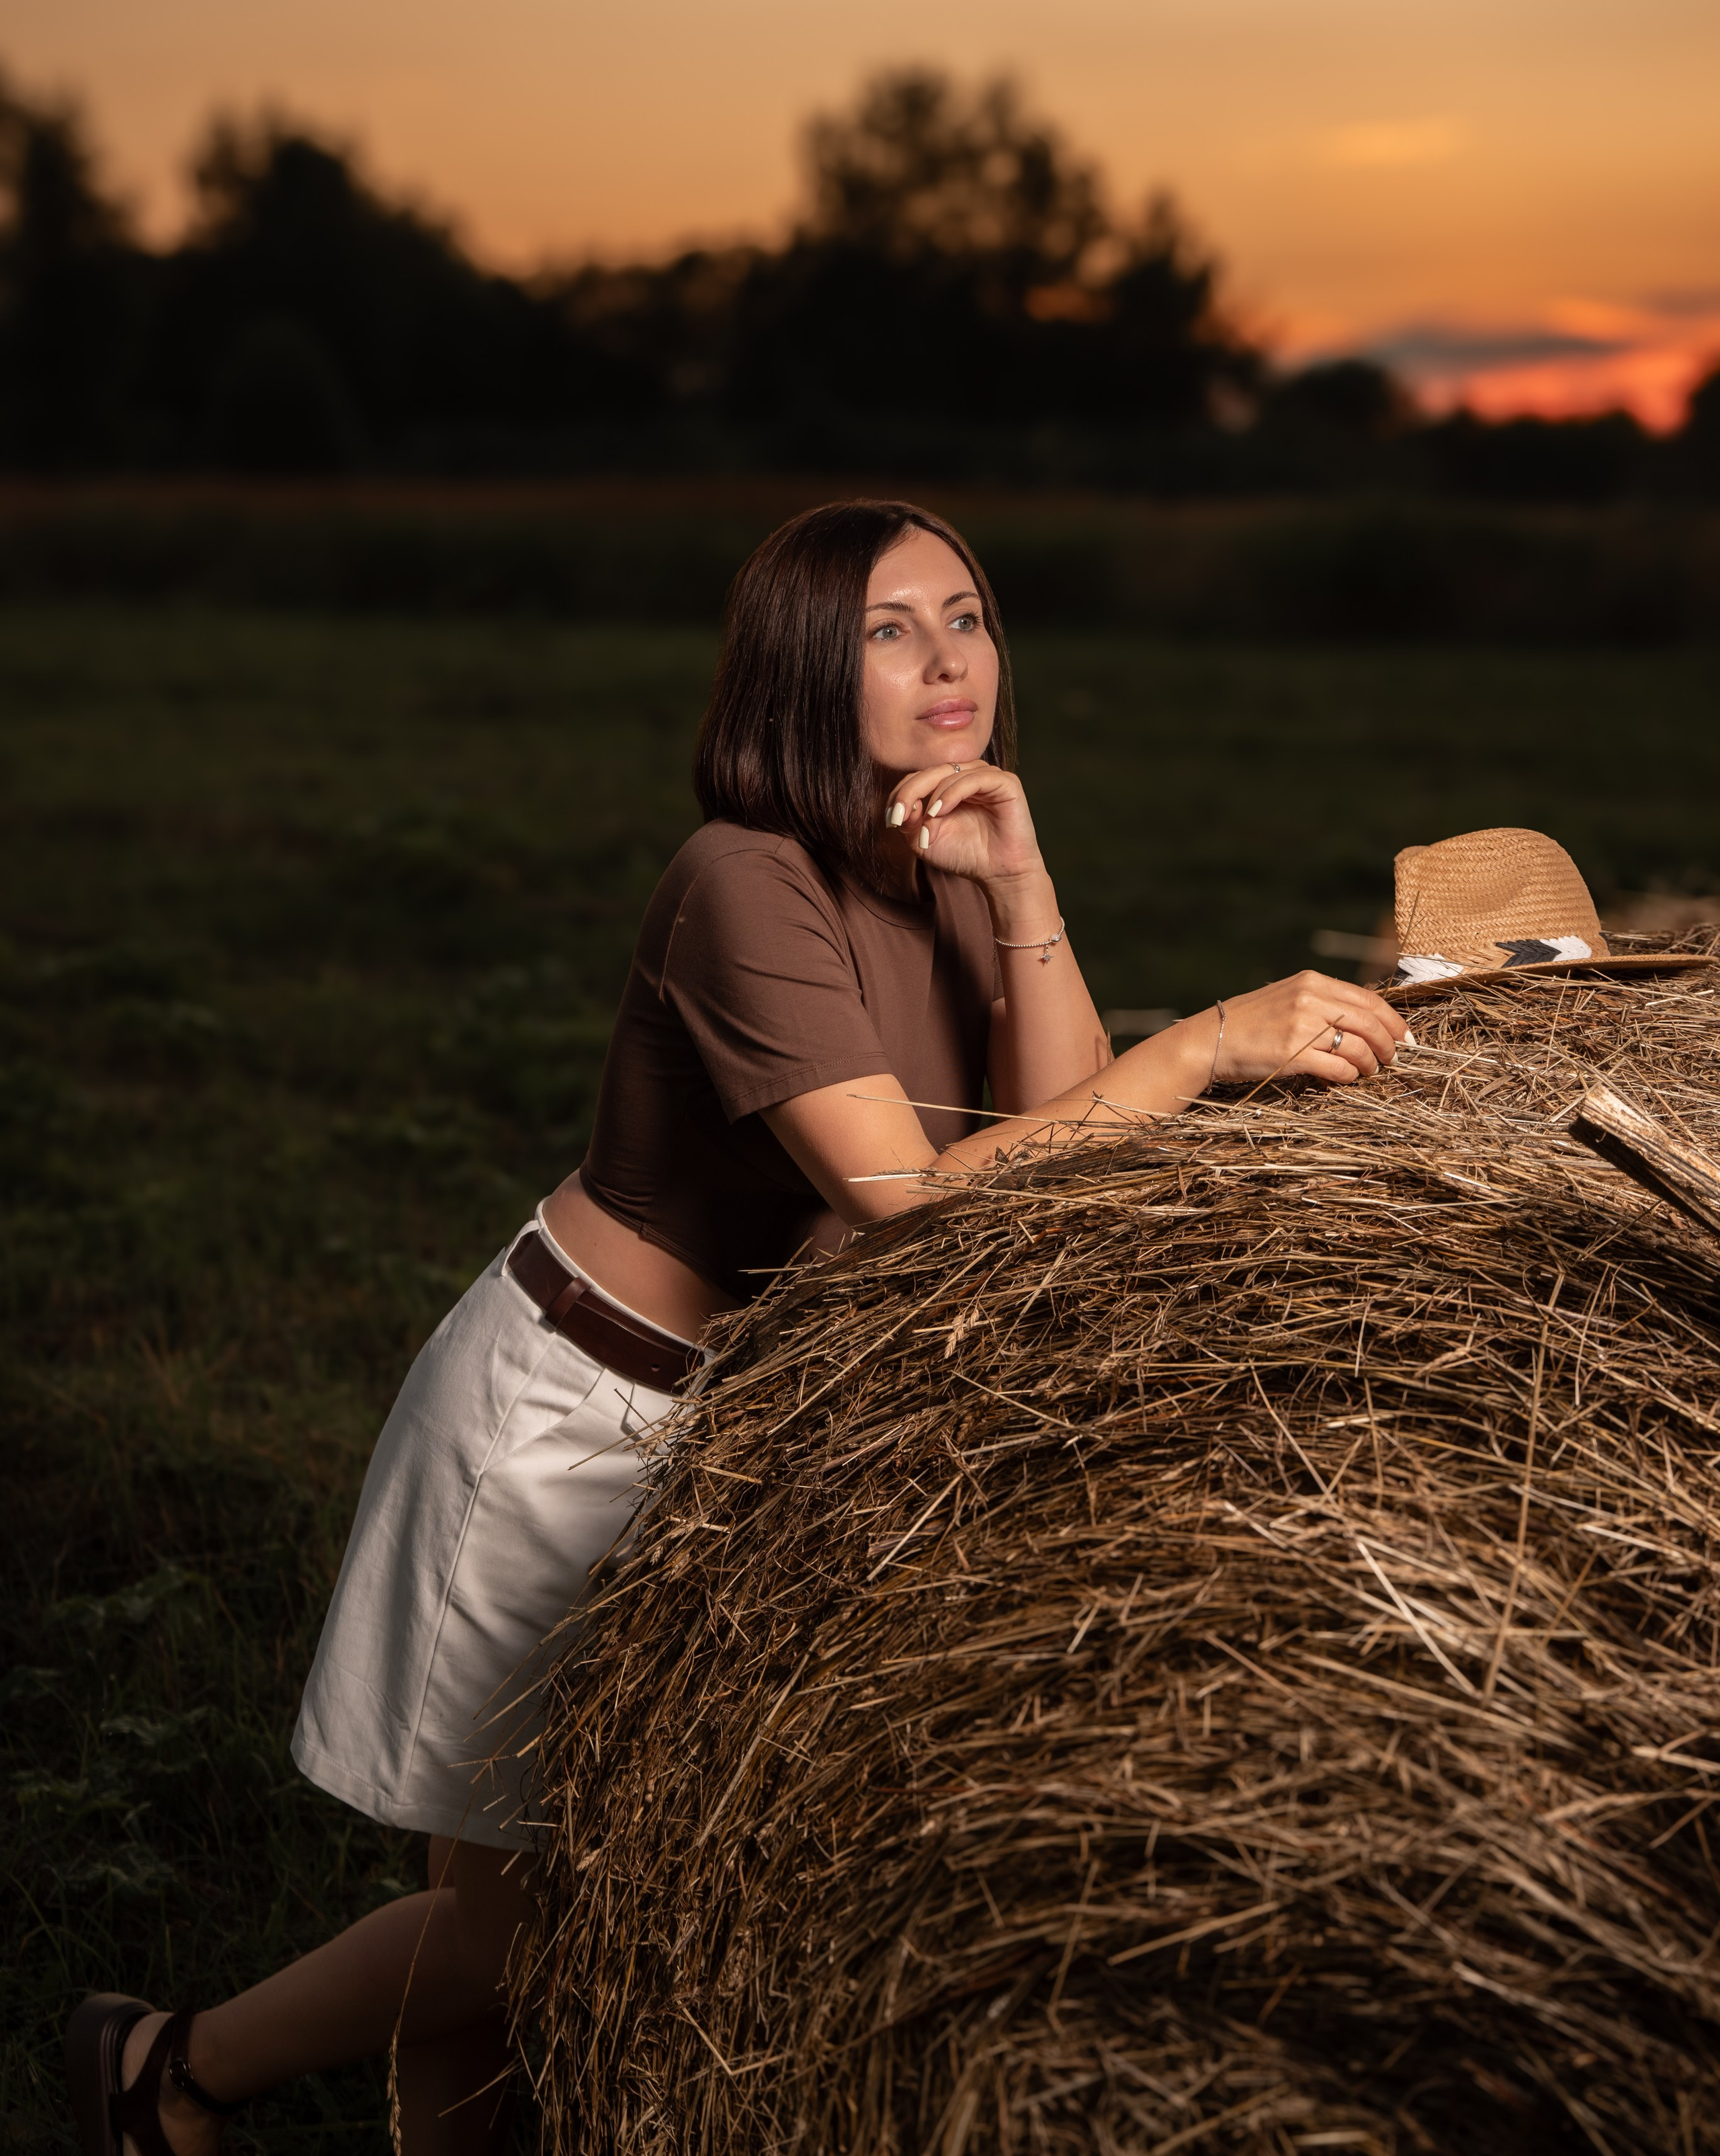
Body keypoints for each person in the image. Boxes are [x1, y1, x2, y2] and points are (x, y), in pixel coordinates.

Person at [67, 501, 1408, 2156]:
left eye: (967, 615)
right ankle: (171, 2074)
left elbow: (1054, 1154)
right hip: (562, 1418)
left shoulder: (936, 849)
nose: (945, 660)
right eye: (885, 630)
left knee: (551, 1898)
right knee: (517, 1922)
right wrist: (1197, 1044)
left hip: (713, 1422)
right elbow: (908, 1205)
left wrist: (1022, 874)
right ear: (797, 669)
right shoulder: (741, 880)